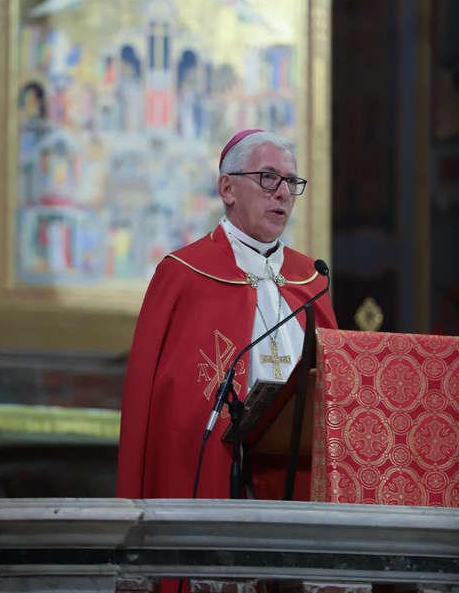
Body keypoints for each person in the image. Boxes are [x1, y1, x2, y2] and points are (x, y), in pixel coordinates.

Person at [116, 130, 337, 500]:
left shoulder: (312, 280)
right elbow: (156, 404)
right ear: (227, 189)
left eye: (291, 182)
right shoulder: (184, 273)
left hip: (296, 483)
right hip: (215, 482)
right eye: (268, 178)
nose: (283, 192)